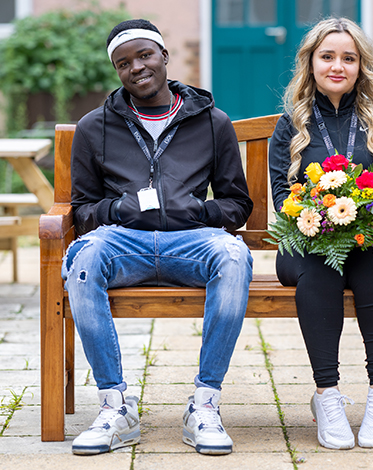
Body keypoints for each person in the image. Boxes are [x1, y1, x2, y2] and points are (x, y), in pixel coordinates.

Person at [62, 19, 254, 456]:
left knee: (232, 255)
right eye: (123, 63)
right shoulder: (96, 127)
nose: (137, 68)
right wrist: (117, 209)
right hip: (123, 243)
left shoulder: (212, 122)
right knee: (83, 258)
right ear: (117, 71)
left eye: (145, 55)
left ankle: (204, 405)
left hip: (191, 242)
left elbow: (237, 205)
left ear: (164, 57)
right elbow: (83, 209)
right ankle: (116, 407)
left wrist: (202, 211)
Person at [268, 17, 373, 450]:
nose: (337, 66)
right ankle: (327, 395)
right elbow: (279, 191)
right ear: (310, 63)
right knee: (320, 273)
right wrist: (317, 211)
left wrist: (372, 212)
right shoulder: (292, 121)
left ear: (361, 65)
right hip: (309, 241)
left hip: (370, 240)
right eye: (327, 56)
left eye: (348, 58)